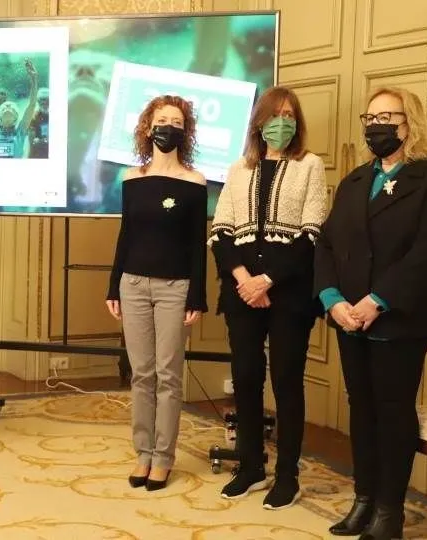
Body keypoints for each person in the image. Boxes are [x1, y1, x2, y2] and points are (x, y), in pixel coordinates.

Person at [314, 87, 427, 540]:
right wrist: (332, 299)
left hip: (399, 318)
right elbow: (328, 243)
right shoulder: (356, 179)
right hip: (349, 318)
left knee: (392, 411)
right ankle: (363, 499)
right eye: (370, 117)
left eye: (387, 116)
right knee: (361, 409)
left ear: (408, 122)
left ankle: (389, 512)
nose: (376, 125)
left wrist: (379, 300)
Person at [208, 86, 327, 508]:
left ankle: (287, 475)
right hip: (241, 292)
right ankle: (250, 466)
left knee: (287, 382)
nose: (283, 122)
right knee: (245, 377)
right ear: (259, 122)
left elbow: (312, 233)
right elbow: (220, 233)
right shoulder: (238, 168)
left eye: (290, 115)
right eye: (275, 114)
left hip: (290, 294)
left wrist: (267, 280)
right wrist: (244, 279)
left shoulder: (310, 166)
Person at [105, 95, 208, 491]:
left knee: (168, 376)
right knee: (141, 374)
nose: (169, 126)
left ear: (186, 131)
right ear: (148, 128)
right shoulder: (133, 178)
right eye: (162, 120)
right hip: (132, 284)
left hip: (174, 288)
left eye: (177, 121)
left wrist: (196, 295)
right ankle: (143, 454)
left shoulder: (194, 181)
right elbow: (125, 234)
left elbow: (197, 244)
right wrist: (113, 284)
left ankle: (164, 458)